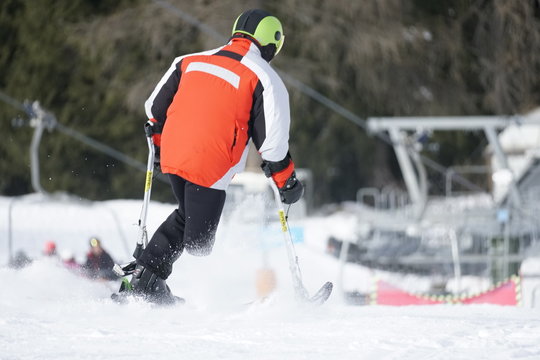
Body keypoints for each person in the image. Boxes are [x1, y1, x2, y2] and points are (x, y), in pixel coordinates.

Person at [129, 9, 303, 303]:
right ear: (274, 43)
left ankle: (147, 278)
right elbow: (272, 145)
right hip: (211, 164)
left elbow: (153, 108)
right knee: (198, 242)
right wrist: (288, 182)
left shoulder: (189, 60)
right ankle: (147, 281)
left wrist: (158, 145)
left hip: (174, 154)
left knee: (188, 219)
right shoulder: (265, 78)